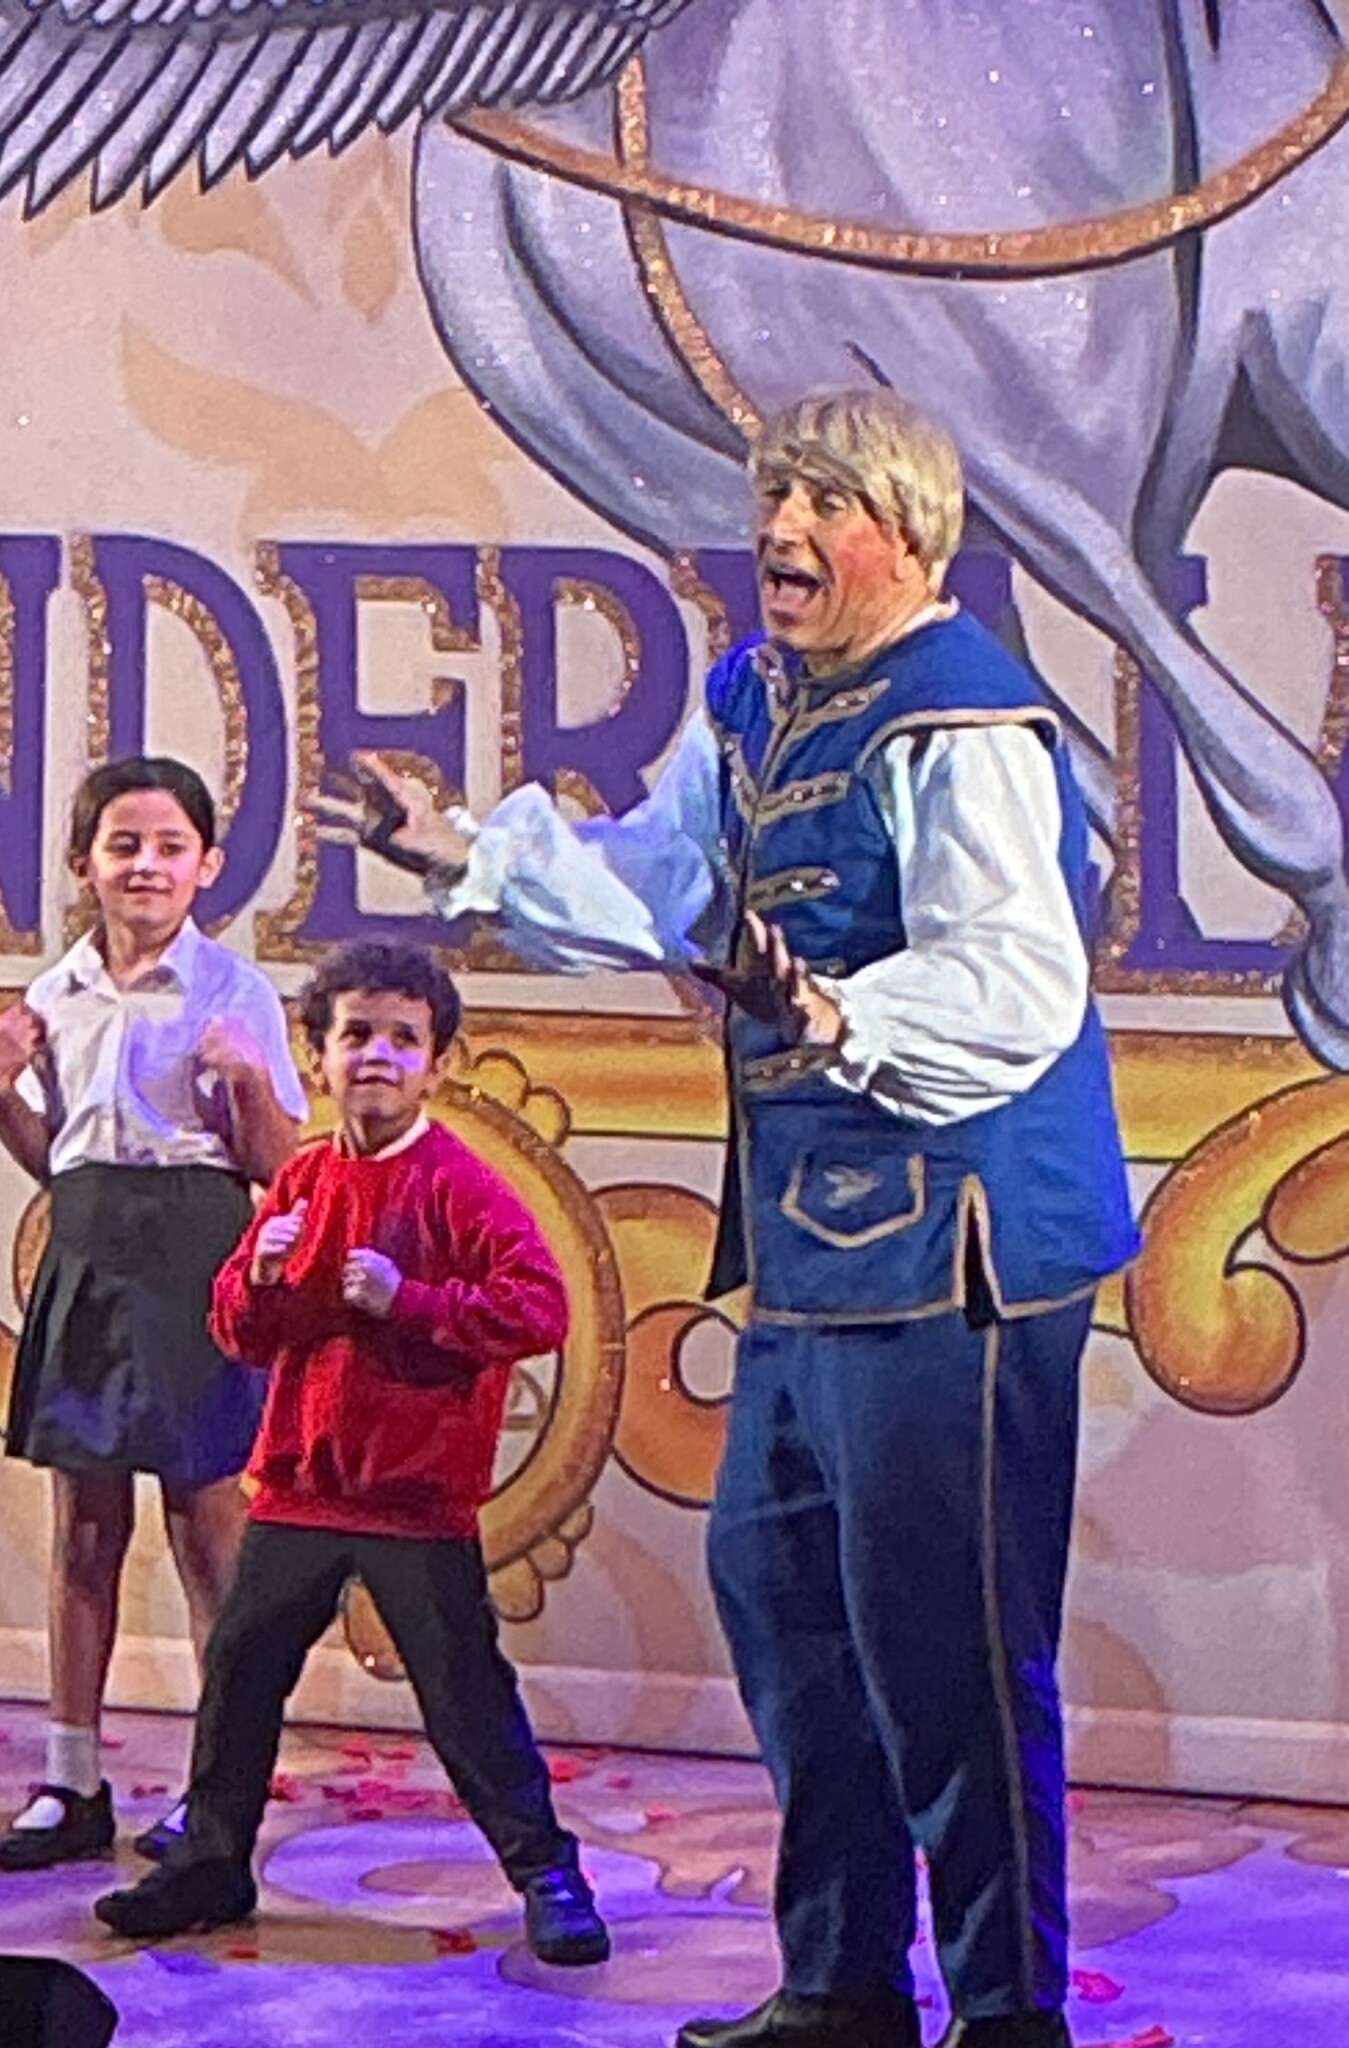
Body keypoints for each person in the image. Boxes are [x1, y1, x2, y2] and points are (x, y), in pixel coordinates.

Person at [314, 389, 1138, 2048]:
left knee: (950, 1650)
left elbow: (1013, 980)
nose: (778, 530)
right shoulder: (756, 697)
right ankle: (842, 1982)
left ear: (906, 534)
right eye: (773, 496)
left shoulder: (958, 718)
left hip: (956, 1246)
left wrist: (834, 1009)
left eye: (821, 502)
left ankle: (1006, 2011)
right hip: (810, 1249)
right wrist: (473, 855)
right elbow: (665, 880)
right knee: (787, 1612)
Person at [93, 939, 609, 1967]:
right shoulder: (302, 1179)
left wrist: (411, 1301)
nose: (377, 1055)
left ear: (437, 1065)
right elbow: (241, 1330)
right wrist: (263, 1278)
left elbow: (539, 1306)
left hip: (412, 1497)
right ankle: (212, 1858)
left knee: (462, 1694)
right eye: (356, 1035)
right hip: (300, 1486)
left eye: (403, 1039)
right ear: (318, 1058)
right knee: (241, 1670)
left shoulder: (461, 1183)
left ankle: (547, 1872)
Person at [0, 756, 306, 1874]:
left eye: (170, 847)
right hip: (90, 1244)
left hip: (195, 1248)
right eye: (123, 845)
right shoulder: (55, 992)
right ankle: (71, 1779)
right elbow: (59, 1158)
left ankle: (216, 1792)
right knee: (85, 1525)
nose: (146, 865)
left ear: (207, 865)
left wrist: (247, 1083)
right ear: (84, 862)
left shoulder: (236, 991)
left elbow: (276, 1165)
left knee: (206, 1522)